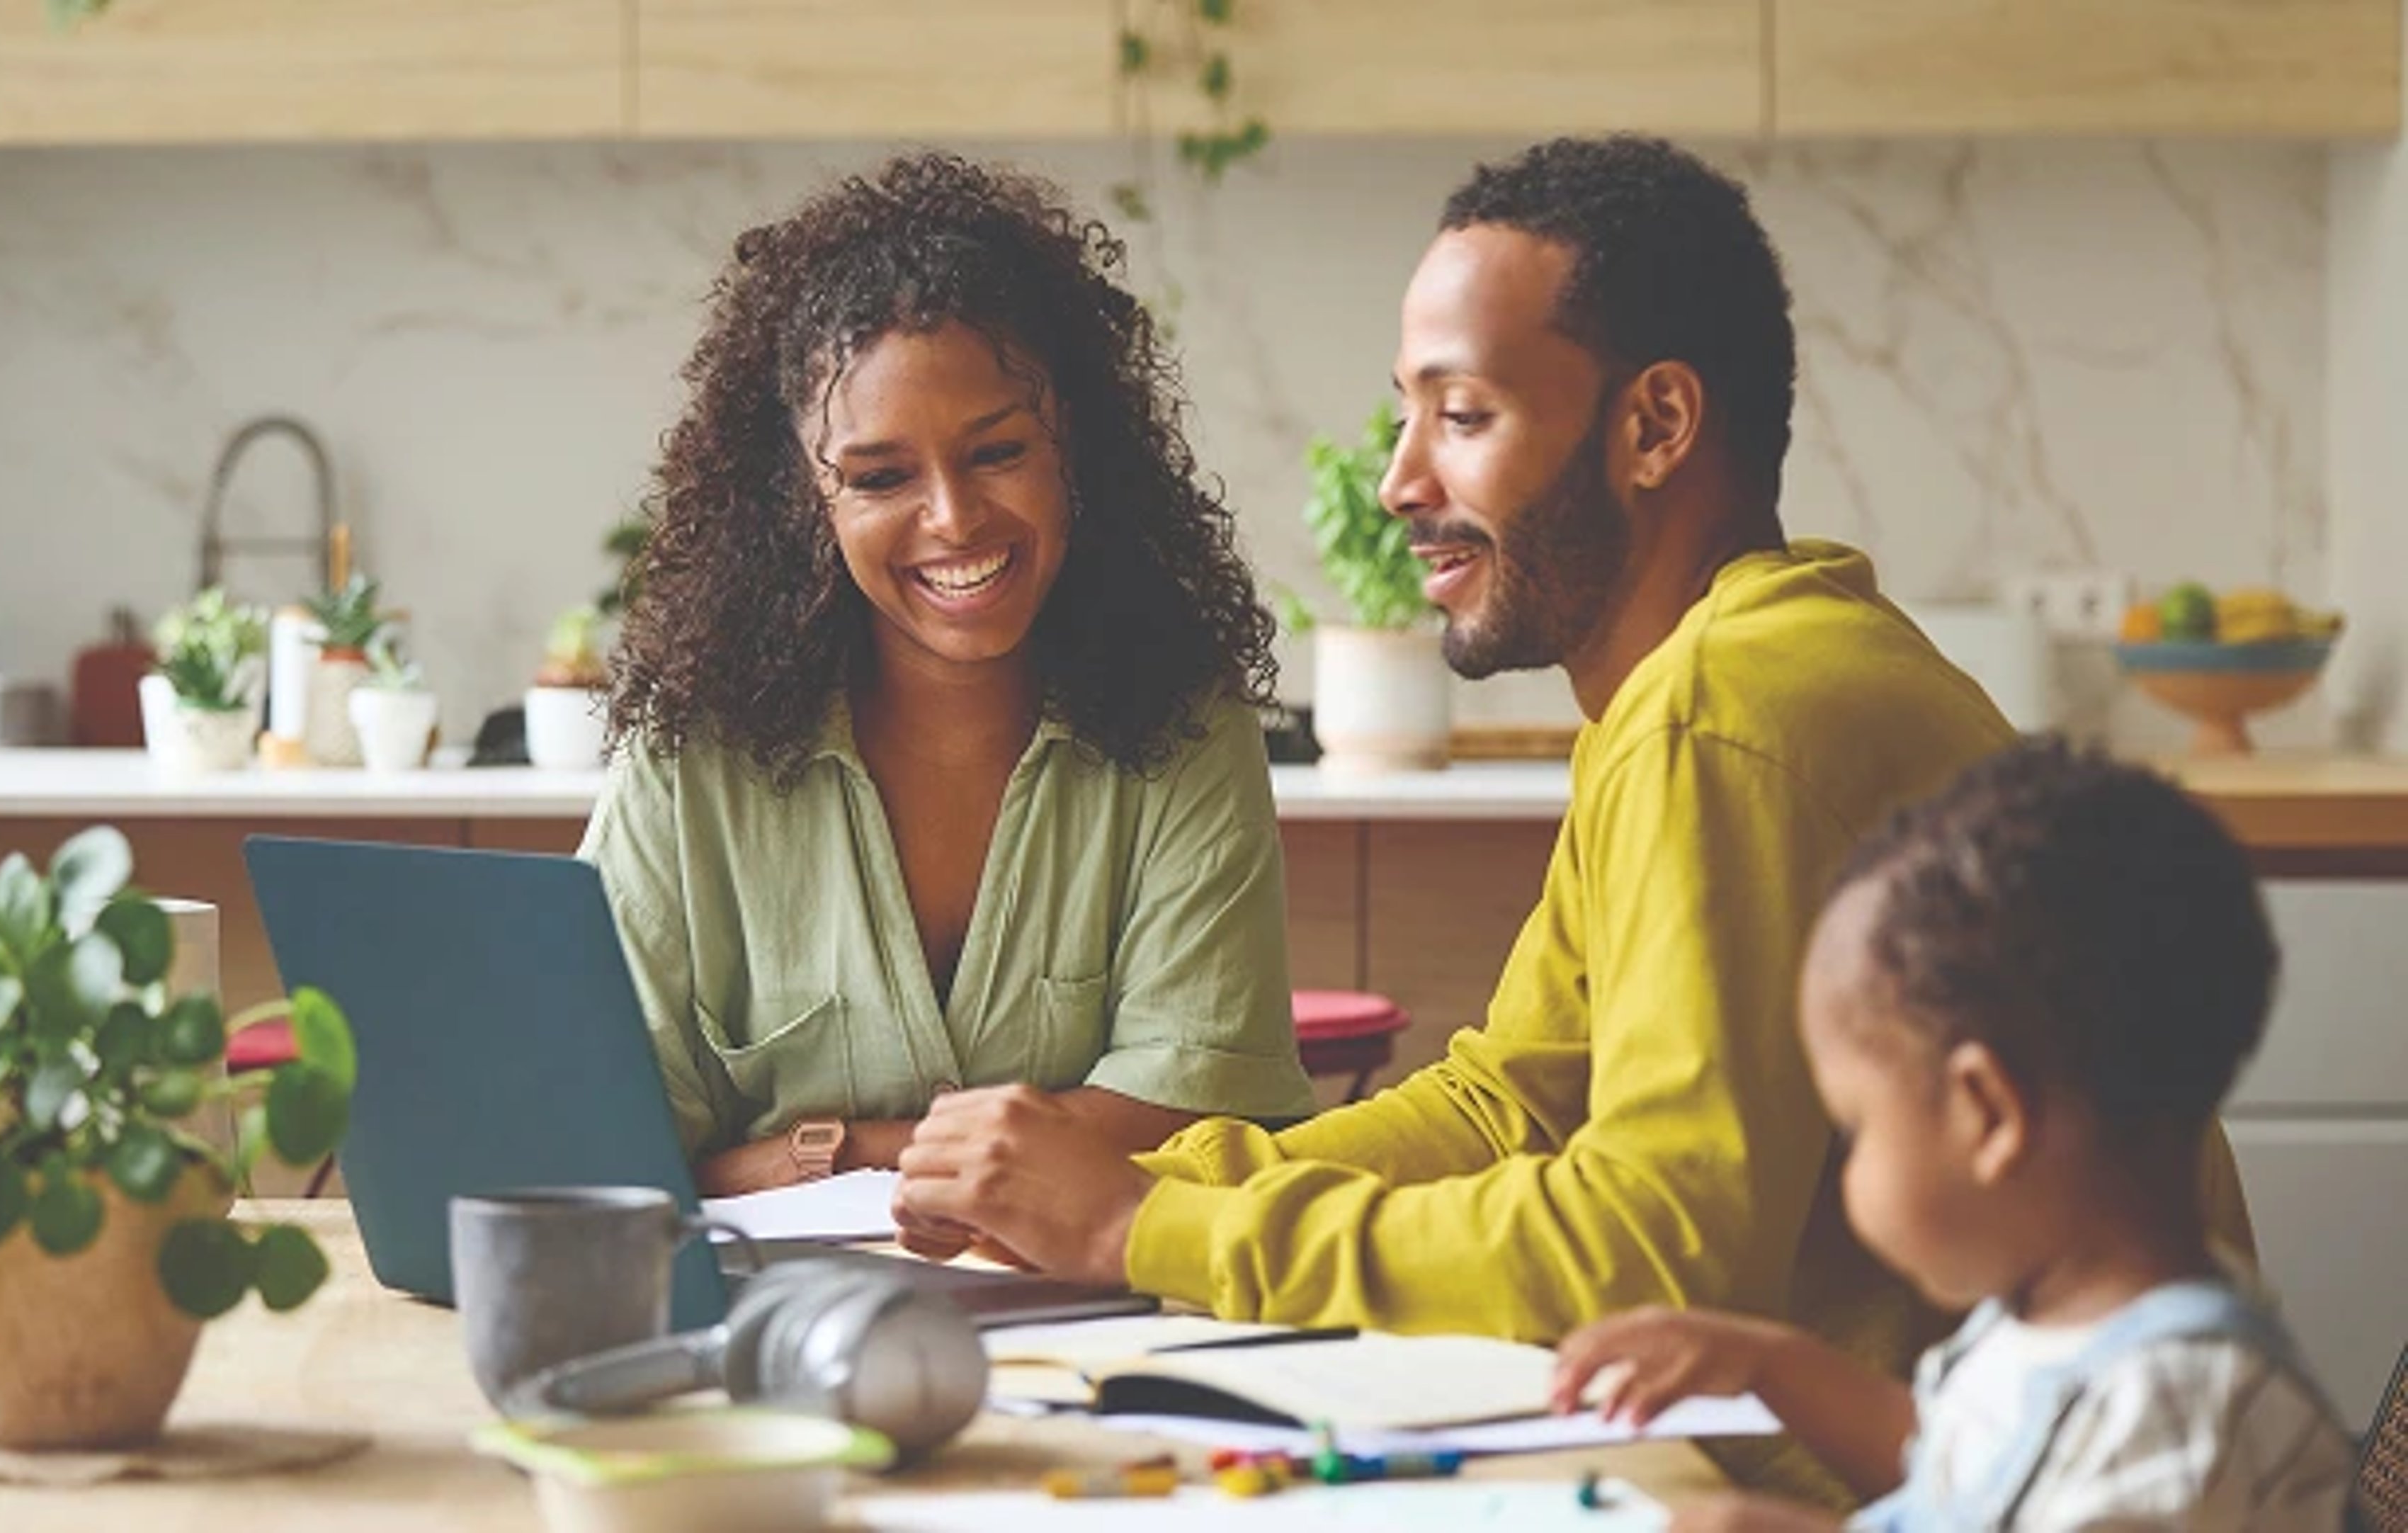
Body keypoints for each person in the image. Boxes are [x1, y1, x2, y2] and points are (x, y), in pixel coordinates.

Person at [892, 135, 2253, 1500]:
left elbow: (1653, 1242)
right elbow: (1515, 1096)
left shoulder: (1721, 713)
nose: (1400, 482)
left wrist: (1151, 1222)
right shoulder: (1713, 676)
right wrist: (1151, 1183)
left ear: (1656, 426)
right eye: (1407, 415)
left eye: (1464, 415)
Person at [586, 152, 1316, 1198]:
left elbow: (1192, 1110)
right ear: (801, 504)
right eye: (881, 477)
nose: (955, 520)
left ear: (1077, 451)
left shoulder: (1186, 729)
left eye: (997, 453)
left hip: (1098, 1321)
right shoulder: (687, 764)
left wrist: (826, 1154)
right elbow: (606, 1148)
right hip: (768, 1331)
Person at [1551, 740, 2356, 1532]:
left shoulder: (2183, 1420)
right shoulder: (2054, 1319)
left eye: (1858, 1127)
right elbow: (1959, 1470)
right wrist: (1767, 1364)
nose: (1849, 1173)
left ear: (1989, 1114)